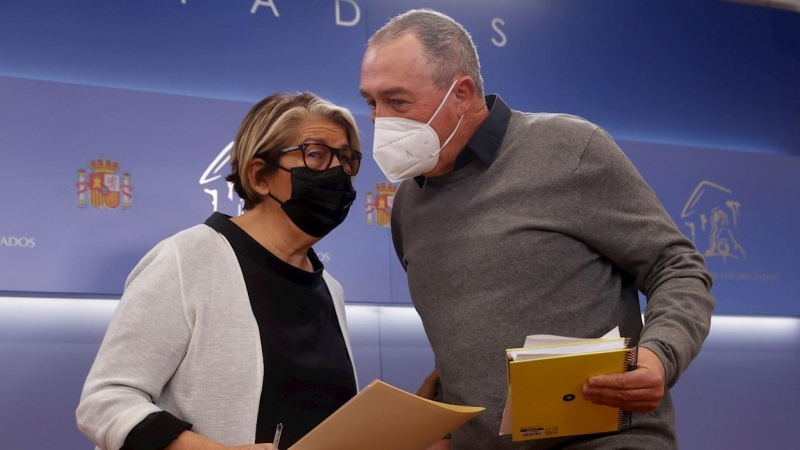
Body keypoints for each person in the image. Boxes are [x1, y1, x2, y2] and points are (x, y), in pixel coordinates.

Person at [359, 9, 715, 450]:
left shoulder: (570, 149)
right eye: (371, 103)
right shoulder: (408, 204)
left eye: (397, 101)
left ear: (461, 93)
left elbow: (676, 266)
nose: (379, 120)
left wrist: (660, 356)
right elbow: (466, 343)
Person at [76, 92, 364, 450]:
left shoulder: (329, 288)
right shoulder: (187, 259)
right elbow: (105, 401)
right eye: (316, 155)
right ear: (259, 176)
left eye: (346, 159)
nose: (337, 174)